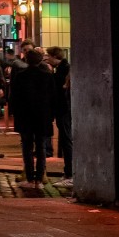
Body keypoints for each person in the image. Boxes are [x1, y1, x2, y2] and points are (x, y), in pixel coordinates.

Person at [10, 49, 56, 189]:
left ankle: (30, 178)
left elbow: (14, 97)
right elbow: (53, 97)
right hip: (42, 116)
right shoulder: (47, 76)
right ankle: (40, 179)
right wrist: (51, 114)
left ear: (26, 60)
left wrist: (14, 113)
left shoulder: (20, 76)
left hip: (25, 116)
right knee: (41, 147)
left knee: (27, 147)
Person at [45, 46, 73, 189]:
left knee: (67, 139)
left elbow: (59, 90)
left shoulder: (62, 70)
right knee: (66, 139)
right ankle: (68, 173)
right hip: (63, 109)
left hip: (64, 110)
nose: (47, 58)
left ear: (54, 56)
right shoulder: (62, 69)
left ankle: (70, 174)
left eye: (48, 56)